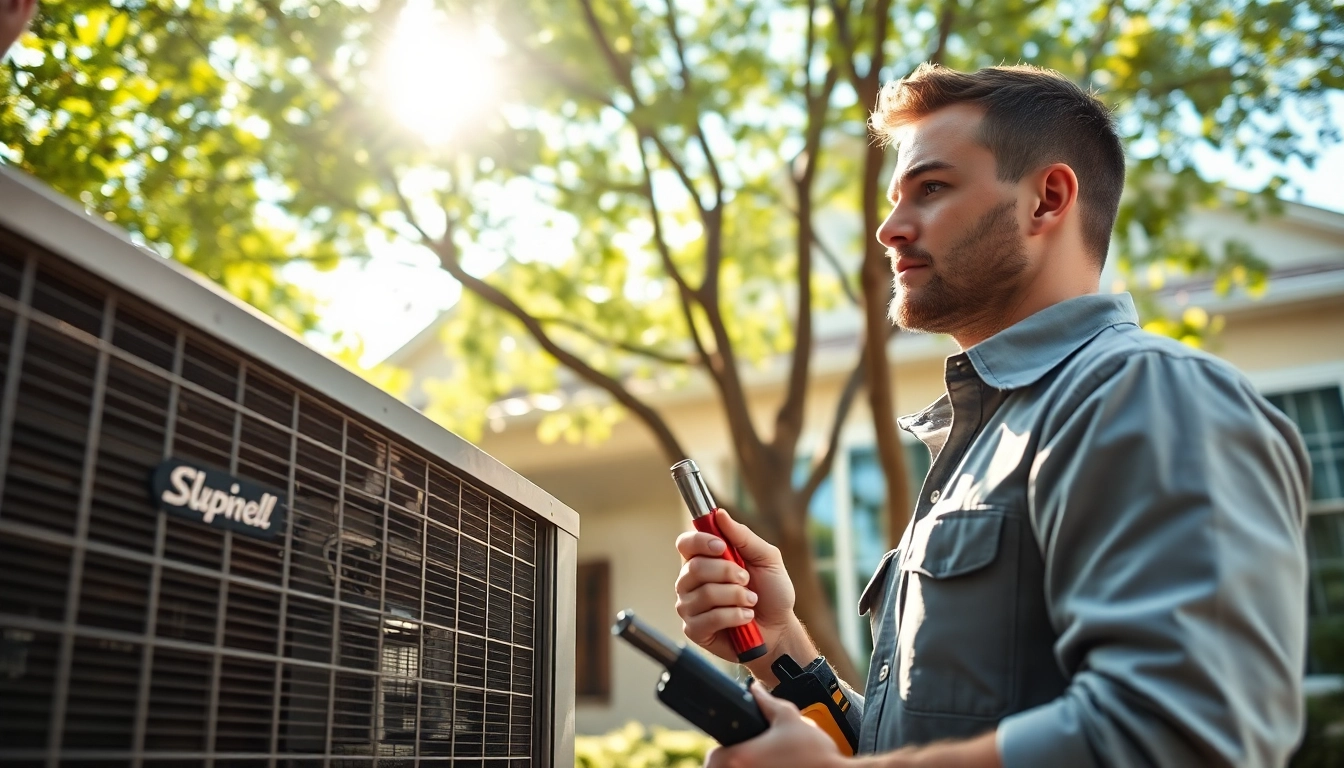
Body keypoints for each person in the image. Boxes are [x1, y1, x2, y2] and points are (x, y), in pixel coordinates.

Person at [674, 63, 1311, 768]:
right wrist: (779, 639)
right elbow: (910, 746)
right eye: (893, 199)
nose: (888, 229)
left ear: (1047, 199)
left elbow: (1185, 736)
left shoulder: (1147, 396)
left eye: (933, 188)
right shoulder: (987, 440)